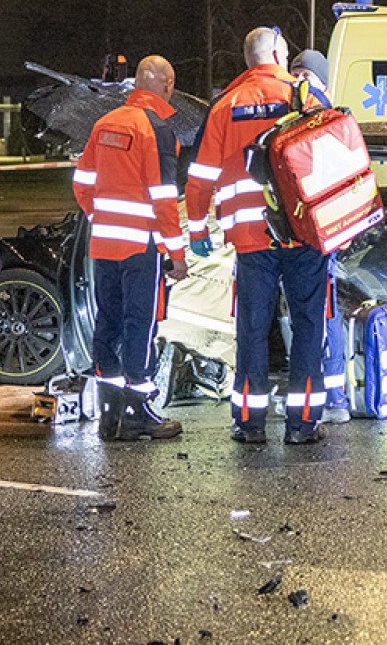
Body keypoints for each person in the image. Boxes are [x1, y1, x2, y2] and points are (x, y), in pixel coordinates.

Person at [186, 28, 336, 445]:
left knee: (251, 329)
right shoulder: (304, 96)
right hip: (303, 232)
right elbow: (333, 156)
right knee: (308, 324)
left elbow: (199, 180)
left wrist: (198, 231)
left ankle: (250, 424)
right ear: (275, 53)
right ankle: (303, 424)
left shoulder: (226, 105)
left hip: (251, 237)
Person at [72, 55, 189, 442]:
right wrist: (176, 254)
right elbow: (163, 198)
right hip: (141, 246)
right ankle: (137, 412)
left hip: (104, 243)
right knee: (140, 323)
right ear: (167, 85)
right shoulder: (157, 128)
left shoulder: (104, 123)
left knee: (108, 322)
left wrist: (100, 218)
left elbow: (82, 183)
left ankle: (110, 416)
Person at [287, 47, 352, 424]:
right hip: (317, 231)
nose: (297, 80)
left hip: (316, 234)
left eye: (303, 74)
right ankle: (326, 394)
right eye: (295, 73)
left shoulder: (321, 116)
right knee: (317, 315)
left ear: (318, 80)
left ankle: (334, 398)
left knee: (321, 317)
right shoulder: (320, 114)